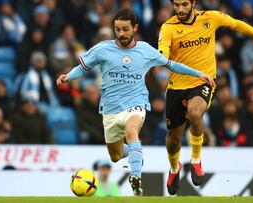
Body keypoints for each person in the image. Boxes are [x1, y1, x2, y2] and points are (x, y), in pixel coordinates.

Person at [57, 8, 214, 196]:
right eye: (118, 30)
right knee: (115, 155)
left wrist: (199, 74)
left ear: (135, 28)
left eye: (125, 29)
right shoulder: (102, 49)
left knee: (132, 131)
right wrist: (69, 75)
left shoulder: (145, 50)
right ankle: (135, 153)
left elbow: (171, 65)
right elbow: (83, 67)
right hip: (110, 109)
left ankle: (136, 177)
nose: (121, 34)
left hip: (136, 103)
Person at [158, 0, 253, 195]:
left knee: (195, 112)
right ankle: (174, 169)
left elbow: (235, 23)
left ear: (193, 3)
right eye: (176, 5)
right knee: (173, 139)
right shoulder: (168, 27)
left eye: (184, 4)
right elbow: (163, 51)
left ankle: (196, 160)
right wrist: (161, 56)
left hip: (203, 82)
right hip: (177, 86)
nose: (180, 9)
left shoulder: (210, 18)